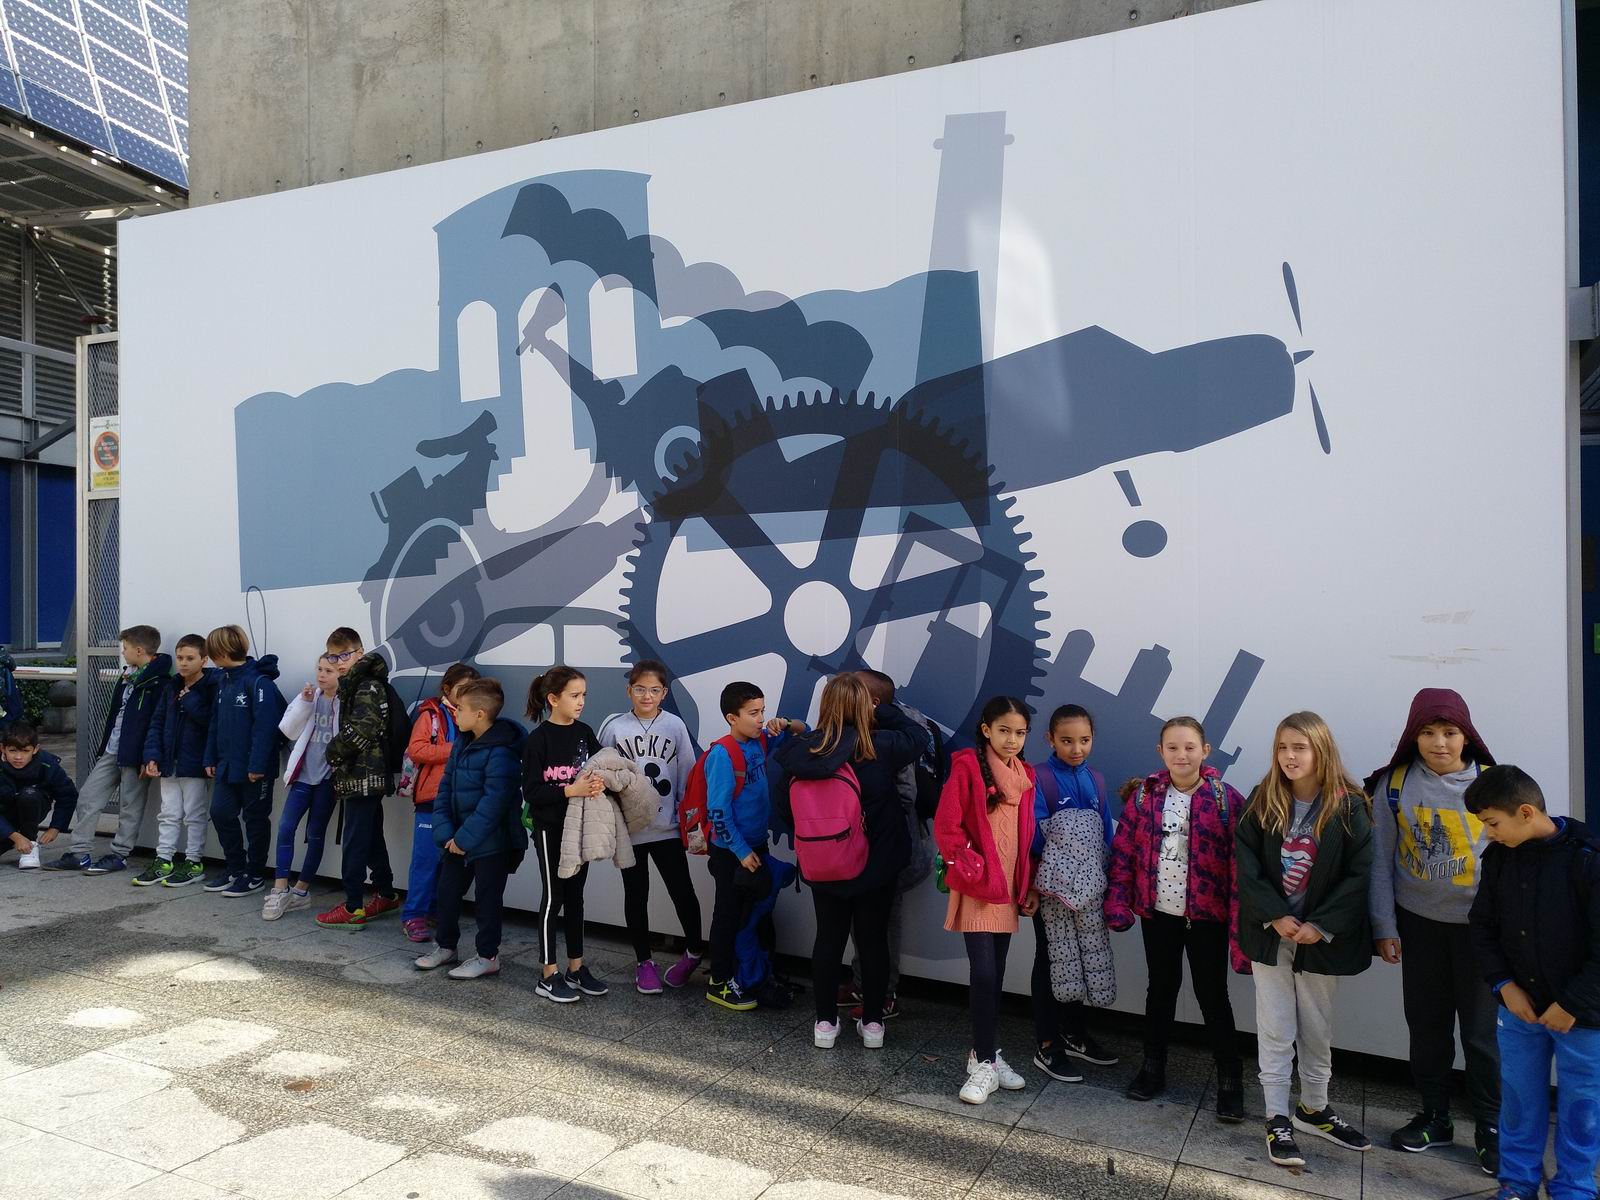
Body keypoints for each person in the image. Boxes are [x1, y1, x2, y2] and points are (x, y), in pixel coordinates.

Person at [1367, 687, 1500, 1172]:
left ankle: (1491, 1127)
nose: (1439, 743)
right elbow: (1380, 862)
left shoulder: (1494, 783)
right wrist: (1384, 925)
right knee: (1427, 1027)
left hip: (1481, 934)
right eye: (1427, 732)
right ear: (1412, 735)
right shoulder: (1394, 784)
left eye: (1449, 732)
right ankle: (1435, 1117)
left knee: (1483, 1035)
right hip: (1419, 926)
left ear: (1467, 735)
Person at [1234, 712, 1374, 1168]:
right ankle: (1276, 1117)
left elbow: (1359, 873)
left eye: (1300, 747)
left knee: (1317, 1026)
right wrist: (1275, 915)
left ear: (1321, 751)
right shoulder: (1264, 798)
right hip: (1271, 934)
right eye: (1282, 747)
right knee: (1276, 1027)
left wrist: (1322, 924)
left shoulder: (1349, 805)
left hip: (1320, 939)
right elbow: (1246, 863)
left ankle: (1314, 1108)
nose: (1289, 756)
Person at [1467, 765, 1600, 1200]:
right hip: (1519, 1009)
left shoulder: (1588, 859)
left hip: (1583, 1017)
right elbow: (1482, 927)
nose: (1487, 834)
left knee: (1582, 1107)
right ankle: (1517, 1183)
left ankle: (1575, 1187)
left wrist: (1572, 1003)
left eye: (1492, 823)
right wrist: (1504, 985)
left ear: (1525, 812)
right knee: (1519, 1100)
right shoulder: (1500, 857)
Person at [775, 673, 929, 1049]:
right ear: (867, 706)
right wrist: (884, 711)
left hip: (825, 863)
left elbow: (783, 805)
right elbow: (919, 736)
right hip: (876, 864)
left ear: (826, 705)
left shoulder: (803, 750)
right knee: (873, 941)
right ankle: (873, 1024)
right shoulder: (881, 745)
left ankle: (825, 1024)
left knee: (828, 940)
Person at [1105, 715, 1246, 1120]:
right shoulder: (1145, 797)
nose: (1181, 754)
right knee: (1161, 990)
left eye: (1189, 747)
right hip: (1159, 915)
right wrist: (1118, 901)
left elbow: (1241, 867)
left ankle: (1230, 1079)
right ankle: (1152, 1068)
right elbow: (1124, 853)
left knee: (1212, 996)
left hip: (1207, 918)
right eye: (1172, 747)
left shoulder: (1226, 800)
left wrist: (1240, 924)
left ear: (1205, 751)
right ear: (1160, 752)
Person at [934, 695, 1040, 1106]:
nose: (1012, 740)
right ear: (986, 730)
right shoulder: (967, 767)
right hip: (979, 889)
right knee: (983, 974)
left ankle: (985, 1056)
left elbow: (1026, 836)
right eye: (1004, 731)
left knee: (995, 976)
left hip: (1007, 892)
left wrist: (1026, 885)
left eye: (1020, 733)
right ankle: (984, 1062)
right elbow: (947, 826)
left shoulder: (1025, 775)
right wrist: (972, 868)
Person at [840, 668, 947, 1022]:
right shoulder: (898, 724)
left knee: (882, 922)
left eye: (853, 689)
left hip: (890, 846)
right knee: (868, 919)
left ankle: (884, 994)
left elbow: (905, 795)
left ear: (872, 701)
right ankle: (863, 983)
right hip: (882, 844)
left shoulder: (893, 735)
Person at [595, 660, 705, 993]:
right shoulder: (615, 728)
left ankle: (694, 952)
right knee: (636, 894)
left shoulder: (674, 725)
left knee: (682, 891)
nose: (647, 696)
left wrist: (689, 821)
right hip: (630, 830)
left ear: (664, 693)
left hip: (667, 827)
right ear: (629, 690)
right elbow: (602, 772)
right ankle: (644, 962)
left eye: (654, 690)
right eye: (640, 689)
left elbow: (688, 774)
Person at [1030, 703, 1119, 1083]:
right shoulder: (1039, 777)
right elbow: (1033, 835)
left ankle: (1074, 1032)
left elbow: (1105, 833)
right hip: (1052, 891)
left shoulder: (1096, 779)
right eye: (1067, 741)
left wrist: (1108, 877)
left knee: (1084, 957)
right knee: (1052, 958)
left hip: (1091, 889)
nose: (1076, 748)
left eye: (1084, 740)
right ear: (1050, 739)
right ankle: (1047, 1043)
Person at [416, 677, 527, 980]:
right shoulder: (463, 742)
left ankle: (488, 956)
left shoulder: (503, 751)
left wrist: (464, 839)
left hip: (491, 844)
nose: (455, 713)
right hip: (456, 840)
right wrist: (446, 833)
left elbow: (495, 803)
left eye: (460, 709)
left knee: (487, 901)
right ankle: (446, 947)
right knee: (447, 893)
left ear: (479, 714)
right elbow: (445, 789)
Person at [701, 680, 799, 1012]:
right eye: (753, 713)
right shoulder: (722, 754)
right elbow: (718, 812)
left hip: (757, 846)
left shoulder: (760, 741)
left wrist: (784, 722)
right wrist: (742, 852)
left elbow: (803, 730)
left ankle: (756, 974)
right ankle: (719, 982)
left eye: (762, 711)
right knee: (728, 916)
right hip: (731, 853)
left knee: (757, 915)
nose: (760, 719)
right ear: (732, 717)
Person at [522, 665, 607, 1003]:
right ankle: (548, 975)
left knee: (575, 898)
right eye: (574, 695)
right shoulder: (537, 740)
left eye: (584, 694)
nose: (581, 701)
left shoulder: (585, 732)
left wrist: (599, 784)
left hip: (579, 829)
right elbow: (532, 792)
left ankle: (576, 969)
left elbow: (600, 768)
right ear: (553, 699)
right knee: (553, 898)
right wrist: (570, 790)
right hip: (549, 828)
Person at [51, 625, 166, 874]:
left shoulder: (158, 682)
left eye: (125, 648)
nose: (122, 652)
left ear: (139, 650)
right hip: (113, 748)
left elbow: (157, 723)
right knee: (88, 795)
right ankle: (79, 852)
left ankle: (119, 854)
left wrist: (150, 756)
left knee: (130, 805)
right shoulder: (128, 675)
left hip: (136, 754)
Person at [316, 636, 401, 929]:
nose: (338, 662)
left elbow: (364, 729)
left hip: (363, 776)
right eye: (332, 656)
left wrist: (333, 752)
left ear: (359, 653)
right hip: (363, 775)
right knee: (371, 836)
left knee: (354, 841)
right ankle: (386, 893)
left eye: (345, 655)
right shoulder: (357, 683)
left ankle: (353, 906)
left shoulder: (366, 685)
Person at [202, 624, 286, 896]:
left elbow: (266, 728)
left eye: (212, 651)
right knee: (220, 813)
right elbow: (215, 722)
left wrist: (258, 765)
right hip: (227, 766)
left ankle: (255, 874)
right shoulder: (223, 680)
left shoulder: (260, 683)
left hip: (254, 770)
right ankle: (235, 868)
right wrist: (210, 757)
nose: (210, 657)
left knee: (255, 820)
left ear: (224, 651)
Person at [401, 662, 479, 943]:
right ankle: (413, 915)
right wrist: (454, 749)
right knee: (425, 861)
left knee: (452, 862)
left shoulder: (475, 716)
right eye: (462, 688)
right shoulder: (431, 714)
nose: (467, 694)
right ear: (447, 688)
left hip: (463, 800)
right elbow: (417, 749)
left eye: (472, 689)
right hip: (431, 800)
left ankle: (436, 909)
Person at [135, 633, 218, 887]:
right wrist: (152, 755)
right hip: (169, 762)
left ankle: (194, 862)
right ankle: (164, 859)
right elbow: (157, 723)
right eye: (180, 657)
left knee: (194, 814)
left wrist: (190, 700)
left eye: (190, 658)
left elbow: (212, 722)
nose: (183, 663)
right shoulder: (171, 687)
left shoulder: (212, 687)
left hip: (195, 764)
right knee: (168, 813)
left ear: (204, 660)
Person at [263, 654, 341, 920]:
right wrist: (304, 703)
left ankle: (301, 891)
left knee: (315, 834)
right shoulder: (311, 697)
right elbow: (287, 730)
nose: (322, 675)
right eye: (319, 669)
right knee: (286, 827)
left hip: (328, 779)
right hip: (303, 776)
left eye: (329, 671)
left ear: (341, 673)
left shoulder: (345, 701)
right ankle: (279, 888)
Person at [0, 722, 77, 869]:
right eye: (12, 750)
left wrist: (55, 827)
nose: (18, 757)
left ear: (35, 749)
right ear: (2, 748)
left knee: (28, 795)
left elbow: (67, 795)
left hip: (33, 804)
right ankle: (13, 839)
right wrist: (14, 836)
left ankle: (30, 846)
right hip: (5, 813)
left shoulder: (47, 764)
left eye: (25, 751)